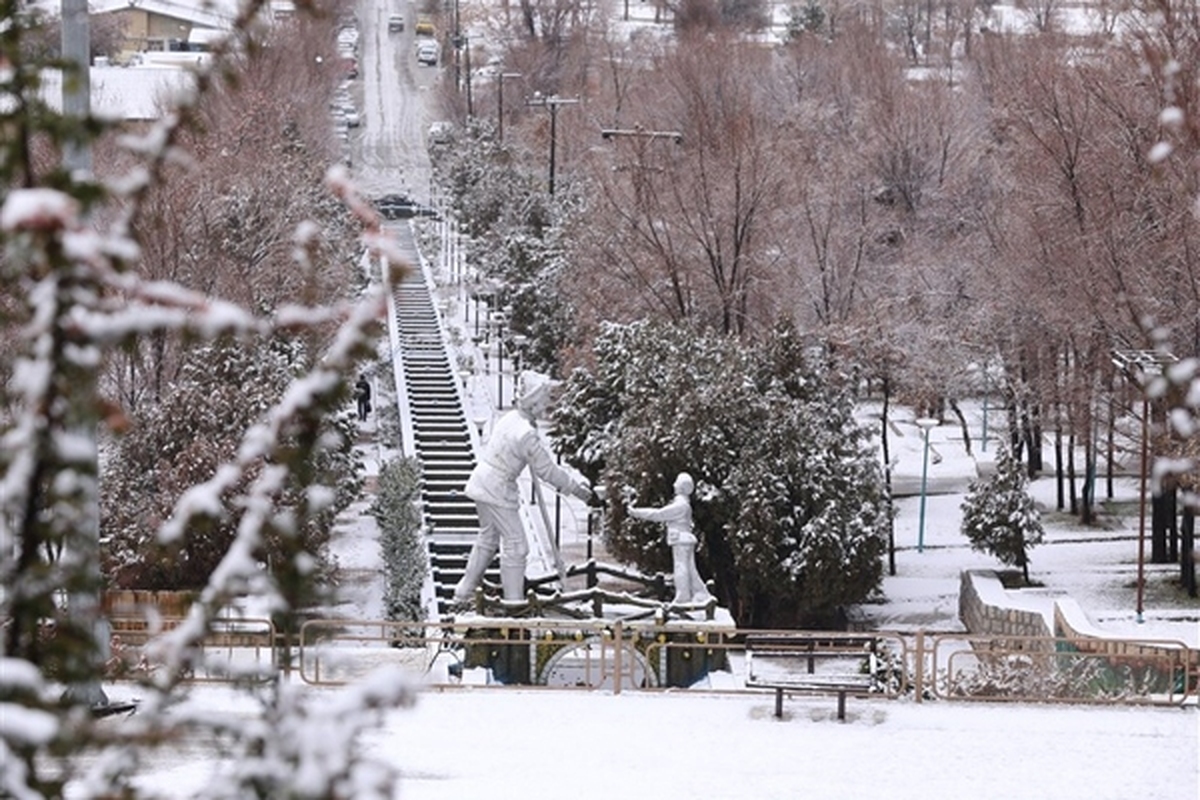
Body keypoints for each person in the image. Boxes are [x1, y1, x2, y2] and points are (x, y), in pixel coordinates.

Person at [454, 372, 591, 602]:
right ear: (534, 399)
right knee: (517, 546)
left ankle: (464, 591)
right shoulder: (525, 433)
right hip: (496, 487)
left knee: (488, 538)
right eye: (547, 398)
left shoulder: (512, 418)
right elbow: (547, 470)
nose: (549, 403)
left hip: (484, 481)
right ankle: (513, 603)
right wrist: (578, 490)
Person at [628, 472, 712, 605]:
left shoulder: (680, 506)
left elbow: (658, 514)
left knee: (681, 567)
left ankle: (683, 597)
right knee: (689, 568)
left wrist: (635, 512)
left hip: (680, 540)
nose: (673, 485)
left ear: (682, 487)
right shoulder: (684, 505)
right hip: (683, 539)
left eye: (676, 483)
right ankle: (701, 594)